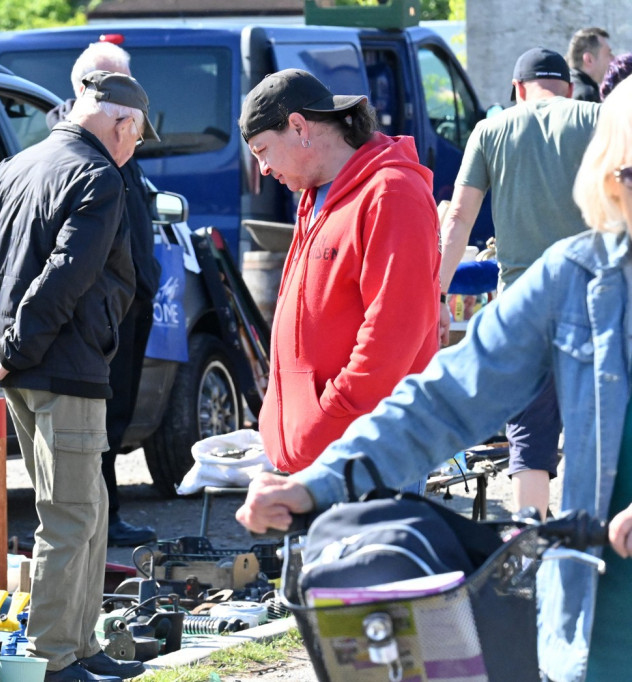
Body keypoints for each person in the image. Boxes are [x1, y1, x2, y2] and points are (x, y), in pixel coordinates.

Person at [237, 76, 632, 682]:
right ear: (610, 179)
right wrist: (320, 484)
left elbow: (392, 337)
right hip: (593, 635)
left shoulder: (386, 190)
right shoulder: (578, 277)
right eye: (627, 178)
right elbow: (445, 399)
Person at [0, 70, 159, 682]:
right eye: (136, 138)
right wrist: (5, 351)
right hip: (65, 366)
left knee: (84, 507)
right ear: (124, 123)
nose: (133, 149)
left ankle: (79, 646)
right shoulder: (98, 176)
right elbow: (66, 278)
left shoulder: (15, 166)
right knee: (69, 514)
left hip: (30, 367)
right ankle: (51, 657)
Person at [238, 68, 440, 476]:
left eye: (262, 151)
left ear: (298, 126)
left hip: (365, 455)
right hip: (328, 453)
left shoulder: (391, 191)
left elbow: (393, 335)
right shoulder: (315, 195)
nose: (262, 169)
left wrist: (328, 419)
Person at [437, 48, 599, 519]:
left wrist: (438, 296)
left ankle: (532, 546)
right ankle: (598, 544)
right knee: (600, 425)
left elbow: (459, 221)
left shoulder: (492, 129)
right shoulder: (599, 119)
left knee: (530, 434)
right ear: (568, 87)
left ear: (517, 89)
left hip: (522, 308)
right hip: (594, 299)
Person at [46, 42, 161, 547]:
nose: (134, 100)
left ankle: (108, 514)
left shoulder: (120, 140)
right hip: (99, 314)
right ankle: (102, 520)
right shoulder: (77, 148)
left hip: (130, 305)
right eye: (120, 85)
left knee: (116, 417)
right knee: (97, 424)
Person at [566, 27, 614, 102]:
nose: (613, 59)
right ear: (589, 60)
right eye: (609, 54)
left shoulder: (564, 87)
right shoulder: (588, 96)